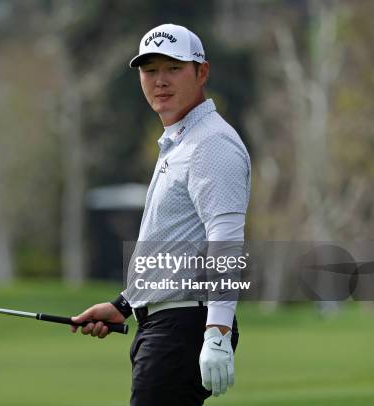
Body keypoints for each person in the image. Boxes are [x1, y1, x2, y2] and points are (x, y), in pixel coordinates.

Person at [71, 23, 251, 405]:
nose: (160, 81)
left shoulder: (211, 143)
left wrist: (216, 334)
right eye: (150, 71)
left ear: (201, 72)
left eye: (173, 68)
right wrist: (125, 304)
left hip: (186, 327)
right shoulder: (180, 141)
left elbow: (226, 241)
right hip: (161, 325)